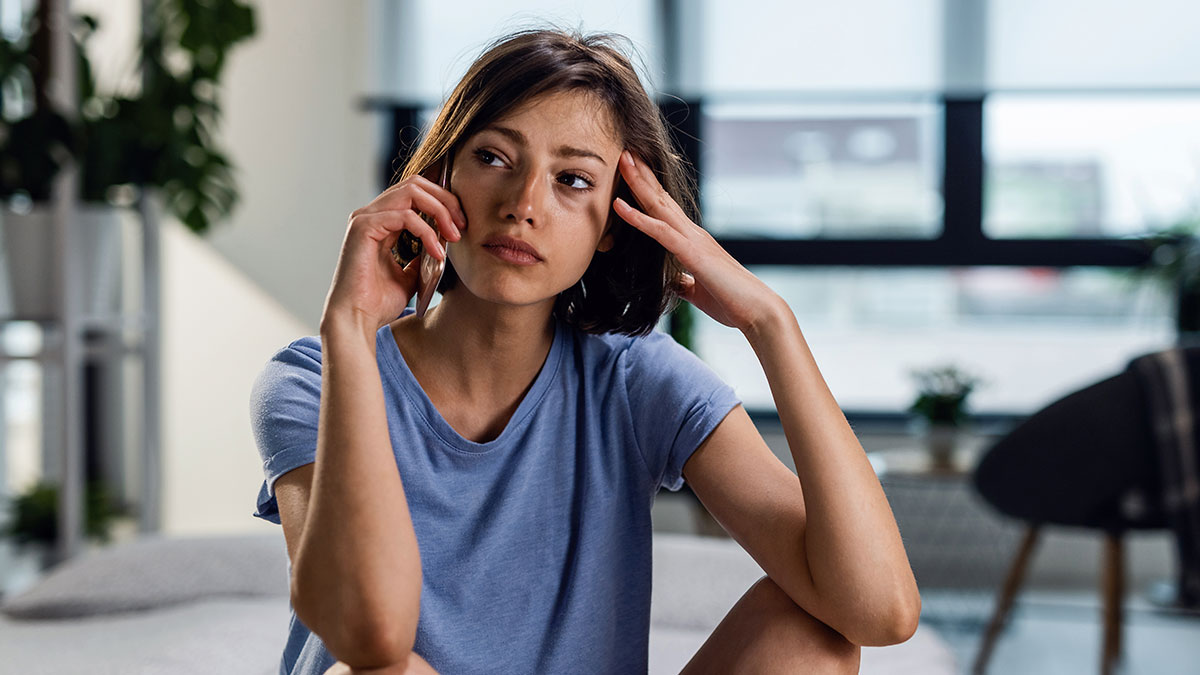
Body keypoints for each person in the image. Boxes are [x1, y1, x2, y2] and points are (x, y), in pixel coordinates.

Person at [249, 28, 919, 675]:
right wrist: (350, 326)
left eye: (572, 180)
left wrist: (771, 323)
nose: (523, 203)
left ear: (611, 223)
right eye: (492, 157)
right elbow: (371, 635)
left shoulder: (637, 380)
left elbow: (880, 610)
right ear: (441, 174)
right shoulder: (311, 379)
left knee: (815, 635)